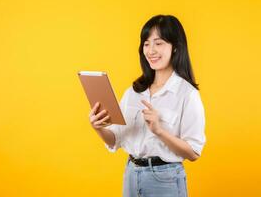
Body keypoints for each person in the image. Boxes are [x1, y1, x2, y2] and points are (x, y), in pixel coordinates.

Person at [88, 15, 206, 197]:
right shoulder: (134, 91)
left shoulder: (187, 94)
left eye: (158, 43)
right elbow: (115, 139)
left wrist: (159, 131)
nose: (151, 50)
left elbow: (193, 153)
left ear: (175, 47)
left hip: (165, 180)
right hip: (131, 175)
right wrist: (98, 128)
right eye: (146, 43)